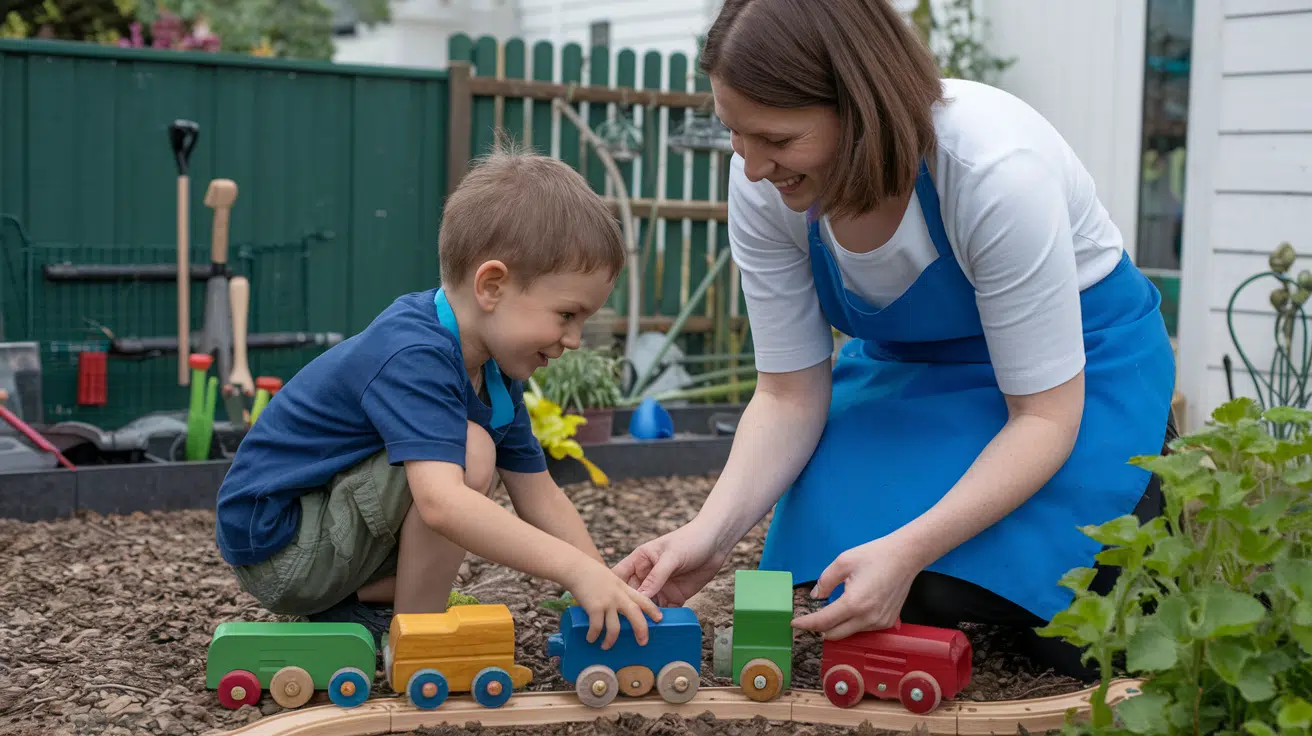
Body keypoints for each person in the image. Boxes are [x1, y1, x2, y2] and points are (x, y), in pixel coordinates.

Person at [614, 0, 1176, 680]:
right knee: (852, 573)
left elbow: (1045, 416)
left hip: (1076, 372)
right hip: (913, 373)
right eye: (735, 132)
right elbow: (789, 394)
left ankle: (1147, 501)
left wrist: (908, 551)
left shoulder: (993, 169)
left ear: (861, 107)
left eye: (779, 140)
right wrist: (708, 537)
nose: (755, 167)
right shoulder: (764, 183)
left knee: (1071, 636)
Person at [215, 138, 660, 650]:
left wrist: (600, 580)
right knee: (470, 452)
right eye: (567, 314)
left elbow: (539, 493)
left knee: (474, 455)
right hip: (283, 547)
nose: (575, 339)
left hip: (323, 535)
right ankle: (416, 637)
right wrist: (573, 571)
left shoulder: (492, 373)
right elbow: (443, 506)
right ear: (491, 285)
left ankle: (367, 611)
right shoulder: (413, 353)